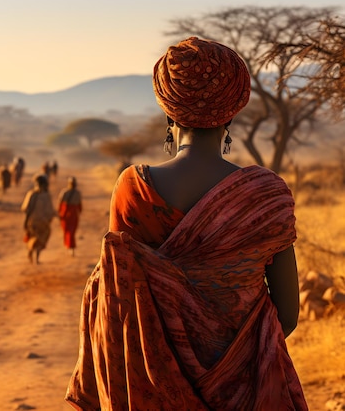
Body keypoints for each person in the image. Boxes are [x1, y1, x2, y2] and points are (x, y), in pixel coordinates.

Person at [66, 37, 307, 410]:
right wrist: (238, 359)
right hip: (251, 390)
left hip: (153, 392)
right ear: (230, 114)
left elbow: (119, 306)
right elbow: (287, 315)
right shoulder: (266, 195)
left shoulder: (134, 189)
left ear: (169, 115)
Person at [21, 174, 56, 265]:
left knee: (33, 238)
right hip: (43, 222)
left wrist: (26, 221)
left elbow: (26, 209)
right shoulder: (46, 196)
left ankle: (30, 251)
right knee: (41, 239)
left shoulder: (31, 194)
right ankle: (36, 257)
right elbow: (50, 211)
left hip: (32, 222)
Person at [57, 176, 82, 256]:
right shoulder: (75, 193)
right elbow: (79, 206)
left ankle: (70, 246)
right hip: (71, 214)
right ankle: (70, 247)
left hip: (68, 214)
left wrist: (60, 213)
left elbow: (60, 204)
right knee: (69, 231)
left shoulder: (65, 192)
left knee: (69, 232)